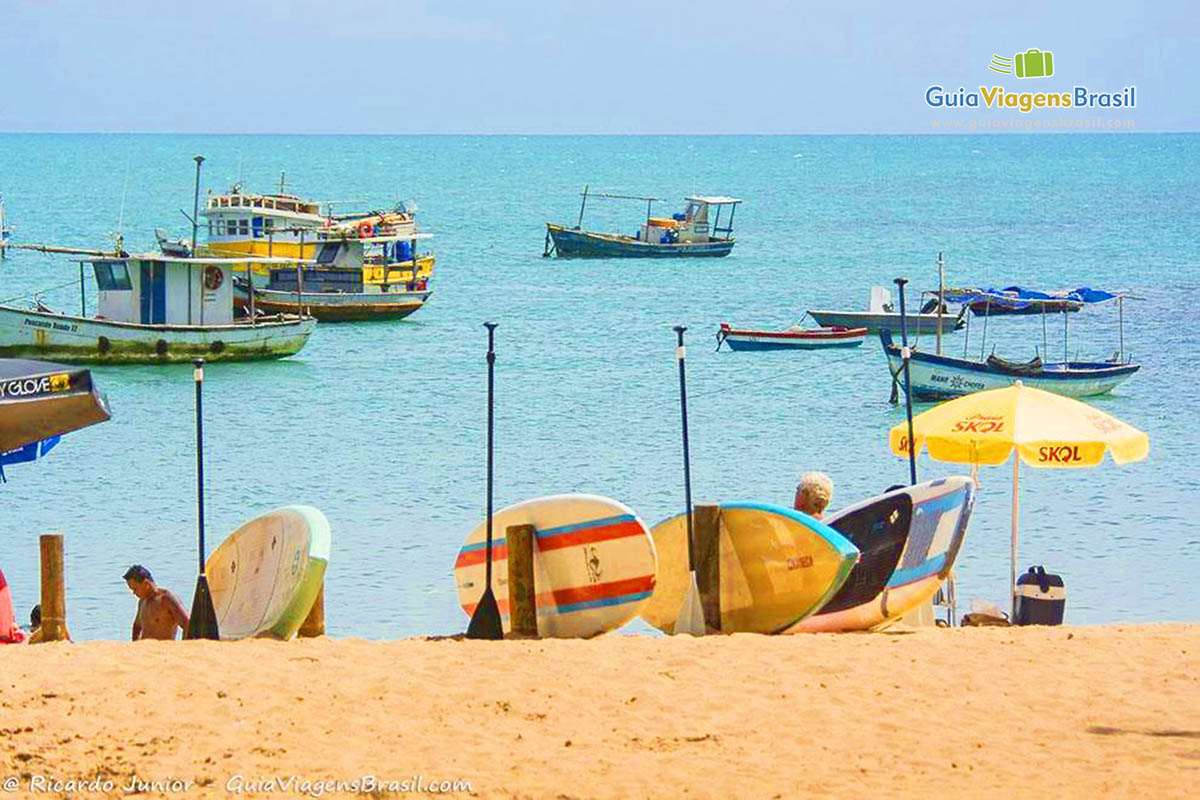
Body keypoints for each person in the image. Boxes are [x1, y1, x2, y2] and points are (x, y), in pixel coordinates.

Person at [123, 565, 189, 641]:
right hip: (144, 649)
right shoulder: (142, 602)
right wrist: (135, 646)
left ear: (146, 583)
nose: (134, 593)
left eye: (135, 589)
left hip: (163, 650)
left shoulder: (166, 599)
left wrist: (182, 647)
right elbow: (137, 626)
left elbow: (187, 624)